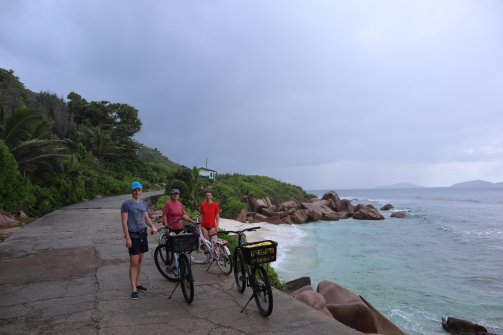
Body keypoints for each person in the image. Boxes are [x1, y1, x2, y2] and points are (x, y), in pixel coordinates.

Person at [121, 181, 157, 300]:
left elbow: (146, 218)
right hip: (133, 236)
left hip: (143, 235)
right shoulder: (126, 204)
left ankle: (137, 283)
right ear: (132, 191)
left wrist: (152, 226)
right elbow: (124, 222)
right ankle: (133, 289)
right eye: (135, 190)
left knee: (140, 261)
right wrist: (127, 238)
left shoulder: (143, 203)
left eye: (139, 190)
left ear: (141, 191)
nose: (137, 192)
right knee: (133, 263)